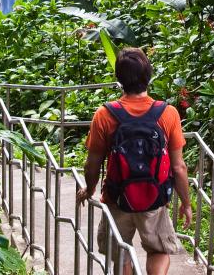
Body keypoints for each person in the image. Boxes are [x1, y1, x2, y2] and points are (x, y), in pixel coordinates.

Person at [76, 47, 194, 275]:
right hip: (154, 198)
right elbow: (179, 167)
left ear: (119, 79)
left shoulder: (104, 114)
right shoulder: (167, 113)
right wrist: (186, 204)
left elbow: (92, 164)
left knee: (121, 254)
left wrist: (89, 189)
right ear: (148, 75)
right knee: (159, 250)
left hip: (117, 196)